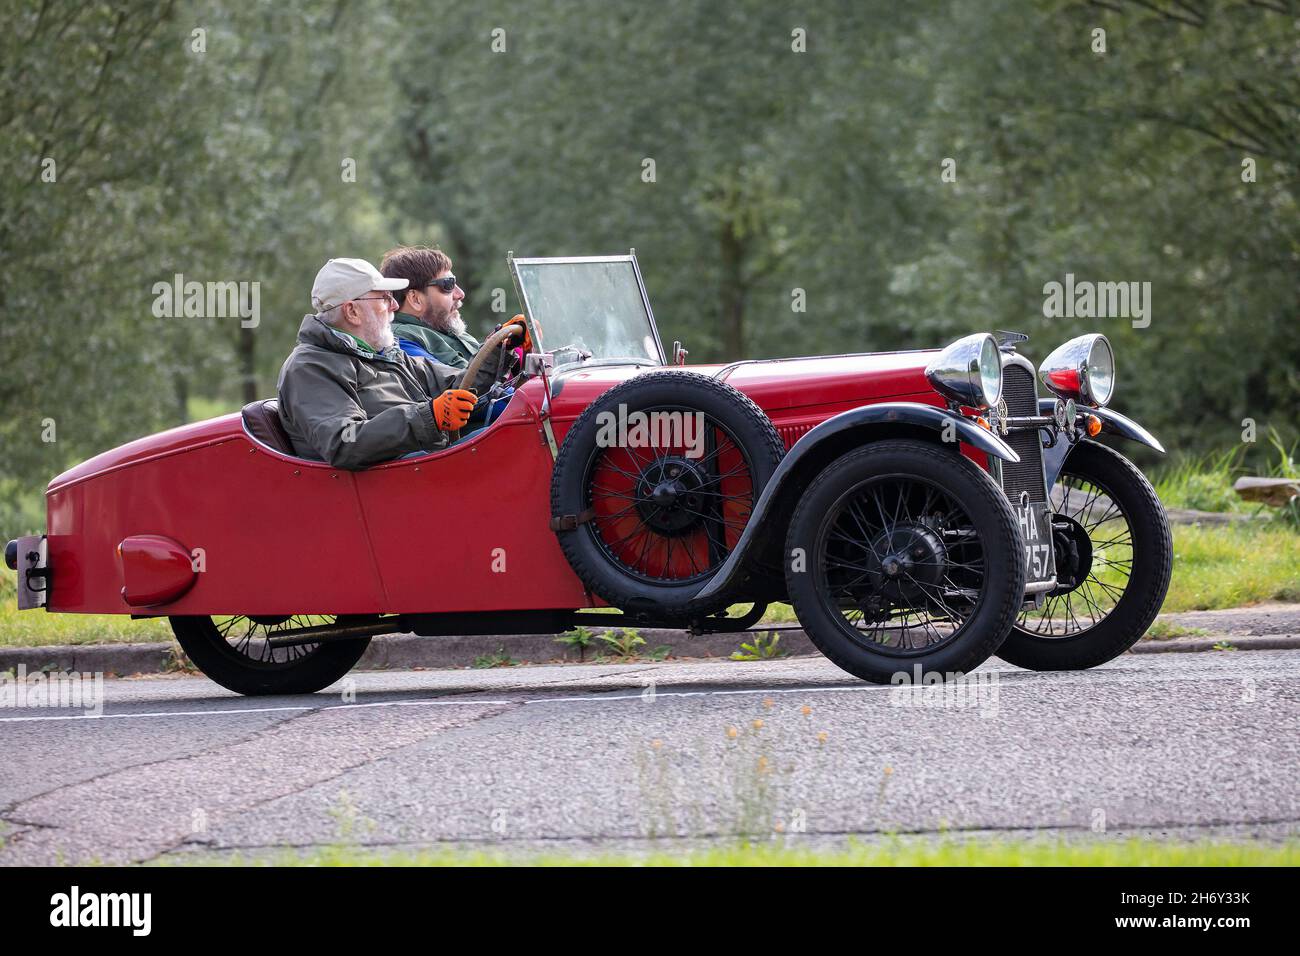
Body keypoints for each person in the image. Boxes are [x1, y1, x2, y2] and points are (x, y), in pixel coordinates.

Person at [276, 257, 499, 469]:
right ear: (352, 311)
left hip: (424, 468)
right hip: (395, 484)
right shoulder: (309, 367)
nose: (394, 305)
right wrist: (429, 417)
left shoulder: (384, 353)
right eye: (384, 297)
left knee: (512, 432)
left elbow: (457, 384)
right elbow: (344, 442)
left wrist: (500, 352)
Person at [380, 244, 531, 366]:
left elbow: (500, 381)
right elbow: (460, 387)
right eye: (448, 285)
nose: (460, 293)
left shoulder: (449, 331)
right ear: (415, 299)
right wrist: (498, 349)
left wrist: (516, 346)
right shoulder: (400, 343)